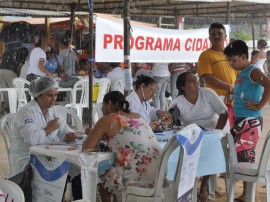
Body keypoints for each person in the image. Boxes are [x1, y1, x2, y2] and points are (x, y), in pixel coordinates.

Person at [82, 91, 162, 202]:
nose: (102, 111)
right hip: (159, 175)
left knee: (100, 177)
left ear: (108, 104)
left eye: (103, 107)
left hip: (137, 178)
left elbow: (87, 148)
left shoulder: (108, 119)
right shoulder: (138, 117)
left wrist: (93, 135)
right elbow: (124, 138)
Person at [169, 71, 228, 202]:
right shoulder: (179, 101)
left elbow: (224, 113)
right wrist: (168, 118)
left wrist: (216, 133)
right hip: (191, 134)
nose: (196, 82)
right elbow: (172, 116)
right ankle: (189, 185)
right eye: (191, 81)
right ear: (183, 87)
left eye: (195, 79)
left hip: (212, 130)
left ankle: (204, 186)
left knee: (210, 147)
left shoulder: (207, 93)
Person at [224, 39, 270, 202]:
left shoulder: (253, 71)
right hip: (241, 120)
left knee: (245, 157)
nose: (231, 64)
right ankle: (248, 194)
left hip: (250, 121)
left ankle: (249, 195)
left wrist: (259, 105)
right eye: (229, 61)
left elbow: (268, 84)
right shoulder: (242, 74)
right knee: (241, 157)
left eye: (233, 60)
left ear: (244, 56)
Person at [9, 76, 77, 177]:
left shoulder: (53, 110)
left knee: (76, 168)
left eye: (55, 95)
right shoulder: (26, 113)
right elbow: (32, 139)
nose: (54, 99)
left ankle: (63, 192)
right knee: (59, 173)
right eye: (50, 95)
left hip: (48, 155)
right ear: (38, 95)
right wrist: (49, 129)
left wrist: (69, 135)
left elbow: (64, 129)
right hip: (27, 158)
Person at [198, 22, 237, 130]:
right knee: (220, 134)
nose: (216, 36)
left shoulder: (231, 54)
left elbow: (238, 75)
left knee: (233, 133)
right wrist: (230, 88)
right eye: (213, 34)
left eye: (219, 33)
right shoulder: (205, 55)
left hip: (233, 98)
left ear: (225, 36)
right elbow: (208, 78)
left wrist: (232, 91)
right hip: (216, 99)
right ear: (209, 38)